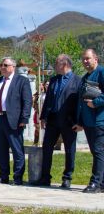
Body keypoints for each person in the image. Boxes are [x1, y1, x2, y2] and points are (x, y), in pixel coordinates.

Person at [34, 54, 81, 187]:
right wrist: (43, 117)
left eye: (56, 63)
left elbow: (79, 104)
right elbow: (48, 99)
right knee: (47, 148)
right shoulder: (54, 80)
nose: (54, 66)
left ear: (64, 64)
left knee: (69, 149)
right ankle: (45, 177)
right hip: (53, 120)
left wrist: (79, 121)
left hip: (69, 121)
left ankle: (67, 177)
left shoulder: (78, 81)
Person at [0, 57, 32, 185]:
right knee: (0, 150)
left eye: (5, 65)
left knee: (17, 150)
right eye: (1, 65)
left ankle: (18, 178)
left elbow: (27, 101)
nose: (2, 67)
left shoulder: (22, 81)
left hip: (14, 120)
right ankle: (3, 176)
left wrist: (24, 118)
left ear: (13, 67)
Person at [74, 49, 104, 193]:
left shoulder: (102, 73)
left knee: (98, 151)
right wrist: (80, 121)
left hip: (99, 120)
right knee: (97, 152)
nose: (85, 61)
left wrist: (96, 102)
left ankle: (95, 183)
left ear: (95, 59)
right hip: (88, 122)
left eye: (88, 58)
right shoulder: (85, 77)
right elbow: (81, 101)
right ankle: (102, 183)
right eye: (83, 59)